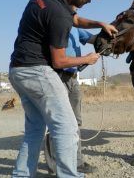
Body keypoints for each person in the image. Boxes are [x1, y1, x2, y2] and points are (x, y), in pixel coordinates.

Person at [9, 0, 117, 177]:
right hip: (37, 71)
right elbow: (59, 61)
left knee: (34, 130)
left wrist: (100, 23)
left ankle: (21, 174)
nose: (90, 0)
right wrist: (87, 59)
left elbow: (74, 19)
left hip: (17, 70)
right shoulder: (57, 13)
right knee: (67, 128)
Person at [45, 26, 98, 174]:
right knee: (56, 122)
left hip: (73, 79)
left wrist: (110, 31)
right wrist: (87, 59)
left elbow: (95, 39)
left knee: (76, 122)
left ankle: (77, 162)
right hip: (56, 77)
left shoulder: (75, 27)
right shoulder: (55, 19)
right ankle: (54, 167)